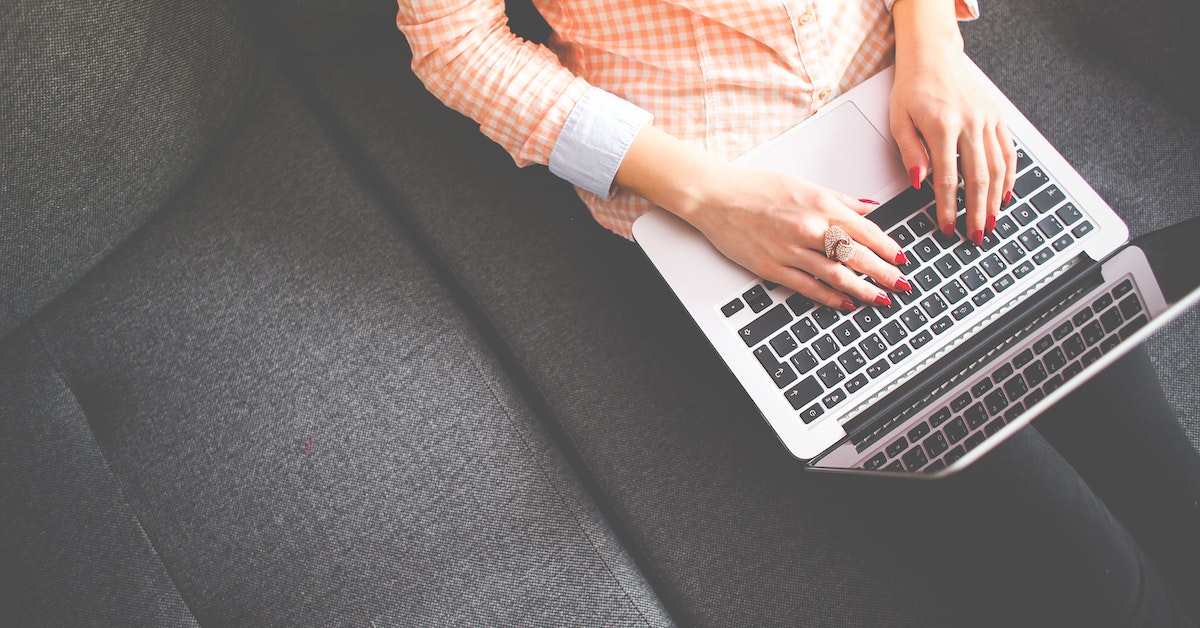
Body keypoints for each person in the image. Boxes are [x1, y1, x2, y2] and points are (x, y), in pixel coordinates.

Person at [395, 1, 1200, 624]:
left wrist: (934, 47)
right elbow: (454, 41)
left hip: (906, 106)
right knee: (1101, 587)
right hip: (725, 196)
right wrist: (709, 194)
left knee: (1168, 485)